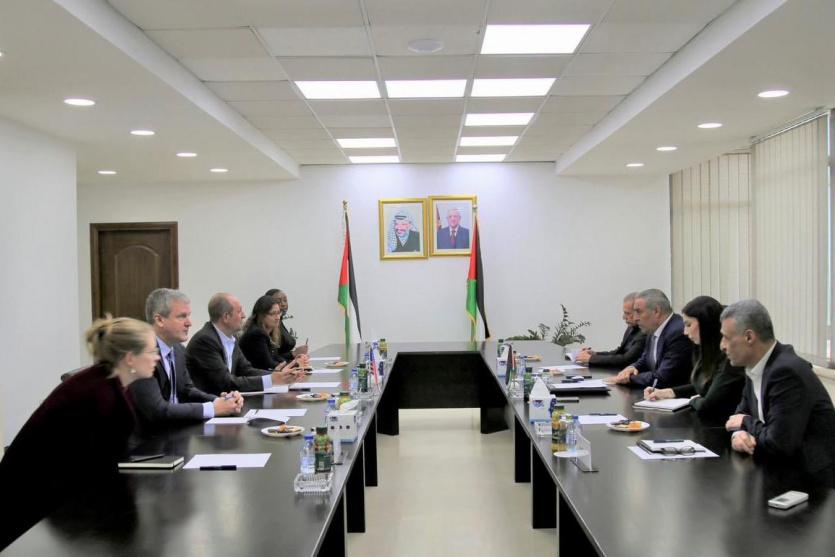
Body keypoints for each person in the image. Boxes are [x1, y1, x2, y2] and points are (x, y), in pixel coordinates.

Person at [0, 316, 157, 550]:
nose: (157, 357)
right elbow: (94, 468)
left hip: (55, 494)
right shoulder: (98, 394)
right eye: (151, 351)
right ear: (130, 358)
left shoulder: (110, 382)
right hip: (29, 504)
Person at [721, 300, 835, 486]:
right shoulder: (754, 366)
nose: (722, 345)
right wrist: (738, 433)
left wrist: (746, 422)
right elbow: (738, 415)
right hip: (777, 471)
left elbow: (779, 443)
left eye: (726, 338)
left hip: (812, 484)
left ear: (749, 337)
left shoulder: (786, 372)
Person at [129, 288, 242, 427]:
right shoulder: (142, 354)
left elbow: (187, 390)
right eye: (182, 316)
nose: (189, 323)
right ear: (159, 320)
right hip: (150, 437)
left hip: (176, 431)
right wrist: (212, 408)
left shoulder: (178, 350)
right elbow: (158, 410)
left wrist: (220, 401)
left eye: (188, 316)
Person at [643, 295, 745, 423]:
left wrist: (693, 400)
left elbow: (707, 405)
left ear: (706, 325)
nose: (685, 332)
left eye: (689, 325)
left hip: (723, 426)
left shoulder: (730, 358)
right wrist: (669, 392)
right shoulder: (702, 350)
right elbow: (706, 386)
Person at [185, 293, 306, 396]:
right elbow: (226, 383)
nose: (243, 315)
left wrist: (279, 376)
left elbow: (246, 370)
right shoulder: (206, 341)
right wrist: (272, 379)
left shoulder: (230, 338)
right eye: (239, 311)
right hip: (209, 407)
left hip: (229, 402)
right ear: (226, 317)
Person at [606, 288, 693, 388]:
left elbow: (664, 377)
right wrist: (632, 368)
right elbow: (646, 359)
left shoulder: (677, 332)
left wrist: (629, 378)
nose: (635, 318)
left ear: (656, 311)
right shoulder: (653, 328)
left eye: (638, 312)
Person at [575, 292, 646, 368]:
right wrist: (595, 354)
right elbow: (619, 351)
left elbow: (626, 360)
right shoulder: (631, 327)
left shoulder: (645, 331)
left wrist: (591, 358)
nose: (623, 317)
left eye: (627, 313)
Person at [240, 294, 290, 370]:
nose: (277, 317)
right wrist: (291, 366)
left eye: (278, 313)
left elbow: (275, 357)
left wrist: (295, 363)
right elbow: (268, 363)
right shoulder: (257, 334)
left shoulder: (267, 332)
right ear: (261, 316)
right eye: (273, 314)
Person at [265, 288, 308, 363]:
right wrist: (294, 354)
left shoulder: (279, 321)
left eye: (285, 300)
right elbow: (271, 358)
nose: (283, 304)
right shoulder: (268, 326)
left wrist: (297, 354)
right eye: (278, 301)